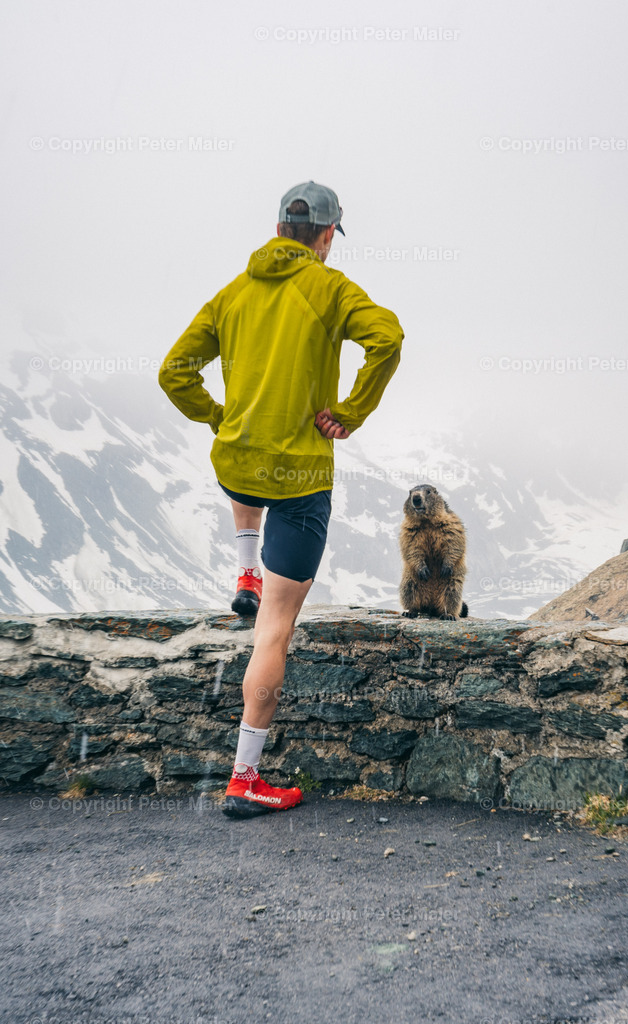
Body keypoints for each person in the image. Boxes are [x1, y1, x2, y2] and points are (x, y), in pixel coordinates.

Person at [158, 181, 403, 818]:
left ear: (277, 228)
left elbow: (172, 371)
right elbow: (388, 338)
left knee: (246, 467)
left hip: (237, 467)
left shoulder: (234, 293)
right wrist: (351, 412)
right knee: (273, 630)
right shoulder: (331, 289)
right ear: (327, 236)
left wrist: (216, 415)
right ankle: (244, 780)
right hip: (298, 481)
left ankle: (245, 567)